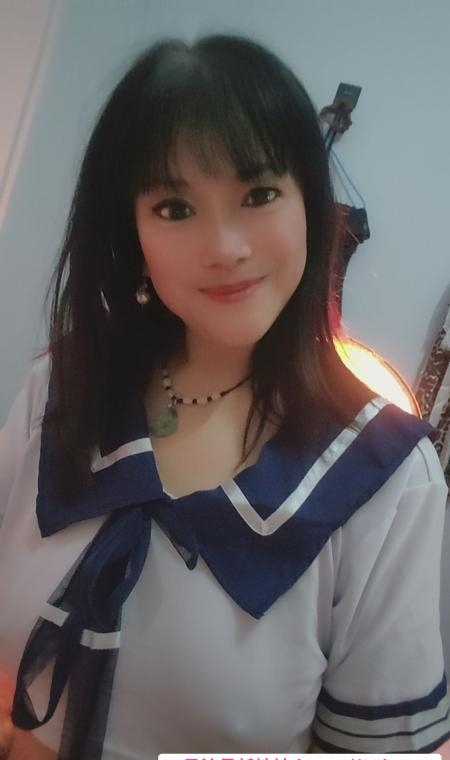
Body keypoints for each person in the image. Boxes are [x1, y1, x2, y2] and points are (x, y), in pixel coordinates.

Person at [0, 32, 449, 760]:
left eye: (259, 194)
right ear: (132, 230)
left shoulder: (388, 481)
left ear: (310, 205)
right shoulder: (61, 388)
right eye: (175, 208)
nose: (225, 247)